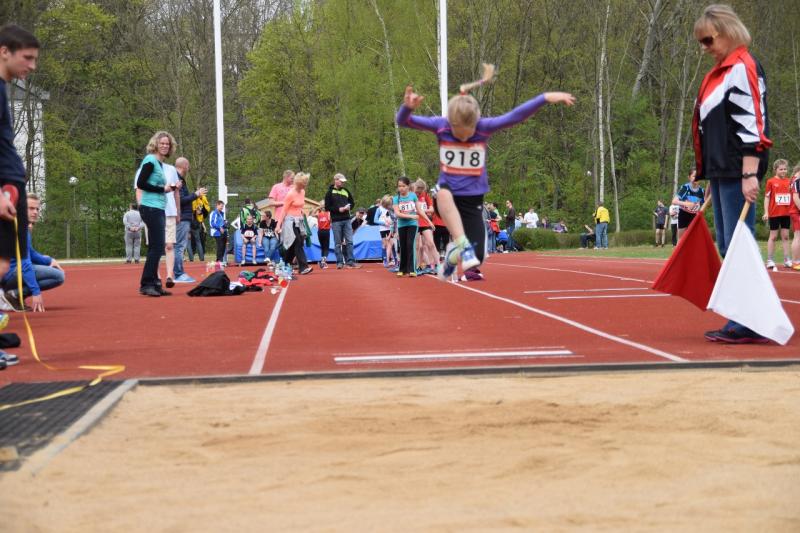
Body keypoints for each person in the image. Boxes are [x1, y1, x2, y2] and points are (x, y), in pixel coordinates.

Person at [397, 75, 575, 280]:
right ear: (450, 123)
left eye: (469, 131)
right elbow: (403, 121)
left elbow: (515, 116)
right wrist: (407, 107)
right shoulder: (441, 125)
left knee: (478, 257)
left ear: (476, 123)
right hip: (448, 192)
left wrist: (544, 98)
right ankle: (462, 244)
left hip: (473, 198)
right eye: (458, 131)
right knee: (443, 193)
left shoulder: (484, 126)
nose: (464, 136)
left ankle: (457, 252)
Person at [692, 4, 772, 344]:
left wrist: (750, 172)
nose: (705, 48)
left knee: (739, 244)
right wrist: (707, 172)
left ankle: (750, 319)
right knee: (728, 243)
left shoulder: (742, 67)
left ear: (727, 33)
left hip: (739, 169)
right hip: (722, 170)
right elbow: (712, 127)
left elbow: (753, 120)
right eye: (701, 42)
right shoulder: (721, 72)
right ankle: (747, 315)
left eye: (708, 40)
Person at [0, 24, 38, 367]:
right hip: (4, 190)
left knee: (4, 262)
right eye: (27, 58)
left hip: (12, 184)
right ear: (4, 52)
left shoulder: (3, 89)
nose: (32, 65)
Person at [1, 193, 65, 312]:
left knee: (55, 272)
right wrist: (36, 292)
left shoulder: (19, 225)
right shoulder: (18, 229)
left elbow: (31, 253)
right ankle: (13, 295)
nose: (35, 212)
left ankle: (13, 295)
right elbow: (25, 264)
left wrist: (49, 260)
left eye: (37, 209)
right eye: (30, 208)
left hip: (9, 274)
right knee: (58, 276)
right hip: (8, 275)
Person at [136, 131, 178, 297]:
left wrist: (170, 188)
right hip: (150, 207)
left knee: (156, 246)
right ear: (156, 144)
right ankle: (147, 284)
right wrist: (162, 189)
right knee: (157, 247)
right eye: (162, 143)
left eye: (167, 144)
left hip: (158, 207)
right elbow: (141, 183)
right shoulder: (150, 160)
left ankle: (154, 283)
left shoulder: (160, 164)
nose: (165, 146)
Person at [174, 157, 206, 283]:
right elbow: (181, 200)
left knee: (179, 246)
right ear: (185, 166)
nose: (189, 168)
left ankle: (177, 273)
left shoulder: (180, 179)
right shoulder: (177, 179)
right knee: (179, 246)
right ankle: (178, 274)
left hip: (183, 217)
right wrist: (196, 194)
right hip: (182, 217)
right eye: (188, 165)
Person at [275, 172, 313, 275]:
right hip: (290, 221)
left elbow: (299, 206)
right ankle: (303, 267)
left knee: (295, 244)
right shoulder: (290, 194)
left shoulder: (303, 192)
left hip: (299, 220)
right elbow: (284, 210)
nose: (305, 185)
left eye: (306, 183)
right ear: (298, 183)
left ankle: (284, 264)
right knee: (297, 242)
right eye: (303, 184)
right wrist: (278, 225)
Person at [324, 173, 359, 269]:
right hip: (336, 221)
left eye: (343, 181)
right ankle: (339, 262)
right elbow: (327, 207)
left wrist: (349, 207)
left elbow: (352, 203)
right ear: (336, 180)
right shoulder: (329, 192)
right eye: (341, 181)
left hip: (347, 219)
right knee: (337, 243)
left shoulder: (346, 191)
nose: (343, 183)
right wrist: (338, 209)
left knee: (349, 241)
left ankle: (351, 261)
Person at [762, 159, 793, 269]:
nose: (783, 171)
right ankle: (770, 260)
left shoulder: (789, 181)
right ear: (775, 169)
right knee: (773, 236)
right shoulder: (770, 182)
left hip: (786, 213)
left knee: (786, 236)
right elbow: (767, 197)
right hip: (774, 213)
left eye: (785, 169)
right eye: (781, 169)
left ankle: (787, 259)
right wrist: (766, 212)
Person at [393, 176, 425, 277]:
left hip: (412, 224)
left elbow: (419, 210)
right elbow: (398, 214)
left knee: (410, 244)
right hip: (401, 224)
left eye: (403, 186)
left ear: (408, 186)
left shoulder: (413, 196)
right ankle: (402, 269)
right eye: (399, 186)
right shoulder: (396, 198)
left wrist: (429, 221)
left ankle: (412, 269)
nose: (401, 188)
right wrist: (411, 216)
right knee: (403, 246)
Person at [161, 160, 182, 288]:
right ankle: (156, 277)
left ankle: (169, 276)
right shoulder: (146, 168)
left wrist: (178, 211)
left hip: (169, 212)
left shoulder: (171, 169)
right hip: (154, 211)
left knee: (169, 245)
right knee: (156, 247)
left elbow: (176, 192)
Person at [672, 168, 705, 240]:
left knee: (694, 239)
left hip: (694, 216)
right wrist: (685, 203)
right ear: (689, 177)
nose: (696, 178)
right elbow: (674, 201)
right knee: (681, 239)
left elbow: (703, 204)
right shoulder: (685, 188)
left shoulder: (702, 191)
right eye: (694, 176)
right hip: (683, 214)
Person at [413, 179, 437, 273]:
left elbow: (432, 209)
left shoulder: (425, 195)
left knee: (430, 243)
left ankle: (435, 265)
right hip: (414, 222)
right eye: (418, 191)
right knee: (418, 247)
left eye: (421, 191)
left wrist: (422, 211)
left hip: (425, 222)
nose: (419, 193)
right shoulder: (411, 196)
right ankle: (417, 266)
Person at [189, 193, 209, 261]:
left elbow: (198, 212)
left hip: (190, 224)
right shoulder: (200, 202)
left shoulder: (193, 202)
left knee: (189, 242)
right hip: (196, 224)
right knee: (198, 241)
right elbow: (201, 214)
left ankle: (191, 258)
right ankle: (201, 258)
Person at [376, 195, 394, 267]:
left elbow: (393, 218)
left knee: (391, 244)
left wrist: (391, 223)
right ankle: (385, 260)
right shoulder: (379, 209)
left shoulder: (391, 208)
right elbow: (375, 220)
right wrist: (384, 223)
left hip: (390, 228)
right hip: (383, 228)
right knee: (385, 244)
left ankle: (392, 260)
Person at [209, 200, 228, 265]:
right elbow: (212, 223)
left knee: (223, 246)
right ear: (217, 205)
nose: (222, 207)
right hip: (216, 232)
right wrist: (219, 228)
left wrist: (225, 223)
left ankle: (220, 260)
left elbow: (221, 222)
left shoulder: (222, 213)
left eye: (222, 206)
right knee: (220, 246)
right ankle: (219, 260)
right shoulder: (214, 213)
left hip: (223, 231)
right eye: (221, 206)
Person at [790, 164, 800, 271]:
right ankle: (796, 261)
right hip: (796, 212)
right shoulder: (797, 180)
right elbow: (795, 197)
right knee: (798, 236)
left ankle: (797, 260)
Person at [315, 203, 331, 269]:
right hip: (326, 231)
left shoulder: (318, 214)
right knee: (326, 248)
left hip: (320, 232)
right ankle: (323, 261)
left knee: (322, 247)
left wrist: (318, 208)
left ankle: (322, 262)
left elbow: (312, 214)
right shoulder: (329, 214)